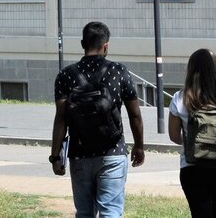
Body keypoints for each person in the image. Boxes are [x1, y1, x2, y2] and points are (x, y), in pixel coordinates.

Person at [51, 21, 146, 218]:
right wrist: (139, 146)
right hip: (113, 152)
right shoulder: (118, 71)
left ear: (82, 44)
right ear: (106, 46)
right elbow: (135, 114)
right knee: (111, 212)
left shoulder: (66, 75)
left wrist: (55, 156)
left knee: (84, 213)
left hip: (79, 154)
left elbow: (61, 119)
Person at [167, 48, 216, 218]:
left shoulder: (179, 98)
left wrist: (195, 141)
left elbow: (174, 136)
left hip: (192, 167)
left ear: (190, 69)